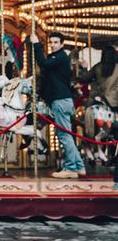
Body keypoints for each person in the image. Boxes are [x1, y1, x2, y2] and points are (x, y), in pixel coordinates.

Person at [30, 31, 85, 178]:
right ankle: (79, 166)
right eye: (51, 42)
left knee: (64, 136)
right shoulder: (57, 58)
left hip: (60, 100)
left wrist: (36, 44)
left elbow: (42, 63)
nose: (53, 45)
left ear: (61, 44)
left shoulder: (60, 57)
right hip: (62, 99)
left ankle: (71, 168)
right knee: (66, 135)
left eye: (56, 42)